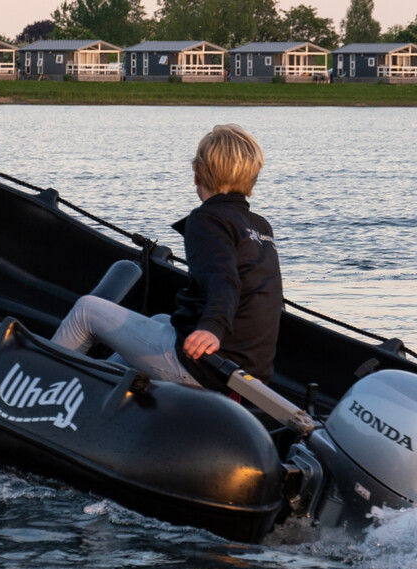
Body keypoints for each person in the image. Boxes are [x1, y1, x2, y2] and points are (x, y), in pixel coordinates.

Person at [51, 123, 284, 385]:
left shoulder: (207, 220)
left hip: (207, 366)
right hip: (247, 371)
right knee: (163, 320)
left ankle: (36, 386)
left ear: (197, 175)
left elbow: (223, 279)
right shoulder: (260, 226)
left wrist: (212, 328)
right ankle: (102, 385)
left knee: (87, 310)